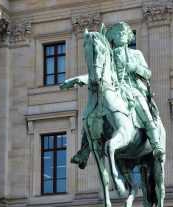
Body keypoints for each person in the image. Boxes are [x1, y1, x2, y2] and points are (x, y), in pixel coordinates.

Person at [61, 22, 165, 169]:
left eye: (123, 33)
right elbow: (99, 74)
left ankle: (155, 144)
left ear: (128, 37)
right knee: (90, 112)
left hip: (133, 88)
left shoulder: (136, 54)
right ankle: (84, 150)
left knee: (143, 108)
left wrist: (134, 67)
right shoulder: (108, 56)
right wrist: (79, 79)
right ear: (112, 39)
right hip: (115, 88)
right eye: (116, 33)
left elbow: (148, 73)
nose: (120, 35)